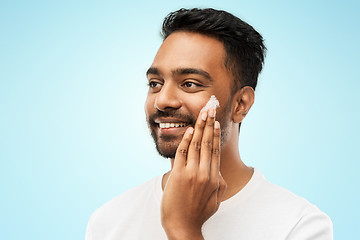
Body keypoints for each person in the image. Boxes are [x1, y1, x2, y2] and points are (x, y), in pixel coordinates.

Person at [85, 8, 333, 240]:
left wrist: (183, 228)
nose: (162, 100)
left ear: (241, 104)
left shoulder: (300, 225)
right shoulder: (108, 222)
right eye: (155, 84)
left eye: (189, 83)